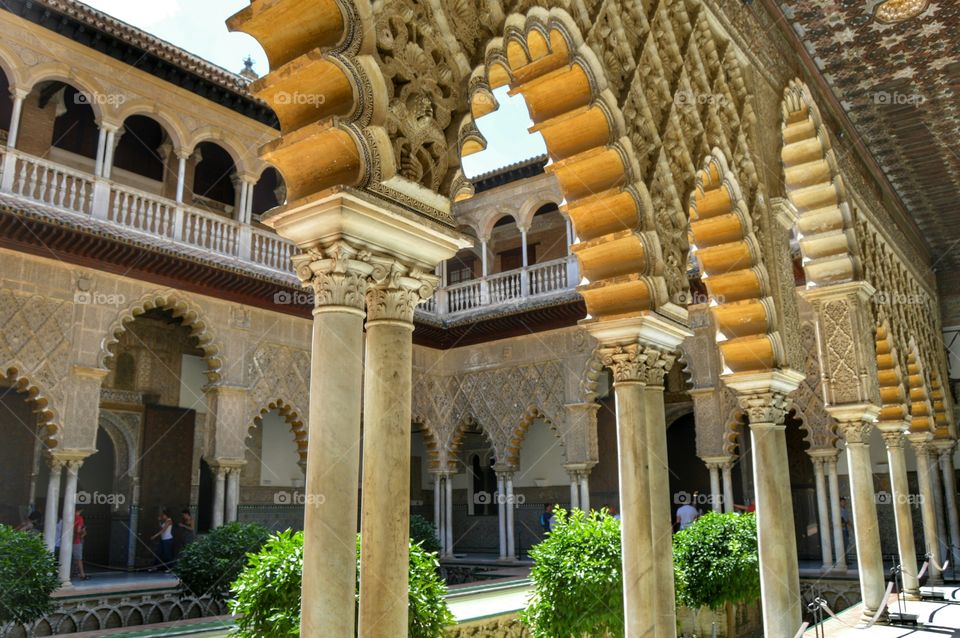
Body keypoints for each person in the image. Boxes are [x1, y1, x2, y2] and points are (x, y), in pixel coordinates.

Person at [73, 508, 88, 580]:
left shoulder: (67, 516)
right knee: (78, 558)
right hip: (76, 540)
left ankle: (73, 572)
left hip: (66, 541)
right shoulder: (79, 518)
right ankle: (82, 574)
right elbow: (78, 530)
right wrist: (83, 531)